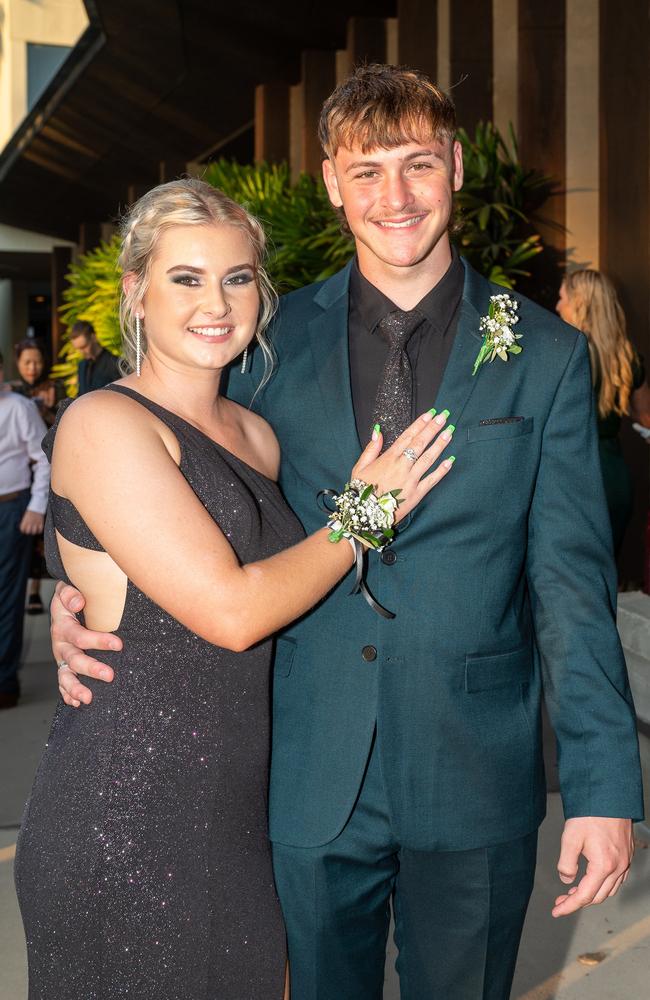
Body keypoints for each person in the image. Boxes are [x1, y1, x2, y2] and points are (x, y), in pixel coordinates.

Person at [52, 65, 643, 1000]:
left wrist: (605, 789)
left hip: (474, 772)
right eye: (365, 171)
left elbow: (573, 587)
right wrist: (91, 594)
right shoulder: (262, 346)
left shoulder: (544, 351)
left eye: (417, 165)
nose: (394, 197)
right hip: (300, 768)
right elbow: (181, 498)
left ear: (454, 165)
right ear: (331, 182)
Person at [14, 178, 453, 1000]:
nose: (216, 302)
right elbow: (231, 609)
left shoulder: (255, 431)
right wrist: (367, 510)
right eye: (186, 277)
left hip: (238, 821)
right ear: (135, 293)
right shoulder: (102, 423)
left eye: (238, 276)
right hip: (126, 813)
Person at [556, 268, 650, 553]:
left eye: (562, 298)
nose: (557, 306)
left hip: (570, 473)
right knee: (605, 572)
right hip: (613, 476)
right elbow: (645, 416)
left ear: (580, 304)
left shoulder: (560, 353)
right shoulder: (626, 355)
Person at [0, 350, 50, 709]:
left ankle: (4, 681)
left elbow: (44, 456)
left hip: (11, 509)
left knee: (6, 597)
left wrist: (36, 506)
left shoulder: (19, 407)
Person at [11, 339, 60, 613]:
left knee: (43, 534)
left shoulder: (53, 388)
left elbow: (65, 422)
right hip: (23, 472)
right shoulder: (11, 391)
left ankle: (34, 590)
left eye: (37, 361)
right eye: (27, 362)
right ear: (18, 363)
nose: (33, 367)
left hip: (48, 465)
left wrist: (48, 412)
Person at [69, 319, 120, 394]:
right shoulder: (82, 365)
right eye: (78, 349)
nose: (81, 352)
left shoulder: (114, 363)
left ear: (93, 337)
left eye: (84, 346)